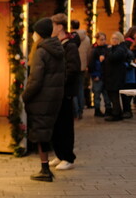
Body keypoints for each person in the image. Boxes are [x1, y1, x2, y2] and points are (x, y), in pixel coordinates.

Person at [23, 17, 65, 182]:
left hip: (41, 98)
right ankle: (45, 167)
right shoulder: (57, 48)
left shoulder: (41, 51)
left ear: (39, 33)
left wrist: (25, 96)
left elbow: (36, 79)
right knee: (46, 131)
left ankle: (44, 169)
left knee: (40, 132)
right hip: (53, 97)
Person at [49, 13, 80, 171]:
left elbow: (73, 69)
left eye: (53, 25)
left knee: (65, 125)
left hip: (65, 92)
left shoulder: (70, 46)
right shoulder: (56, 44)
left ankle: (68, 157)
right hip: (56, 92)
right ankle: (60, 154)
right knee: (56, 124)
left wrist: (60, 82)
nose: (51, 29)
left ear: (60, 27)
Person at [103, 31, 127, 121]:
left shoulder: (119, 49)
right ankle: (117, 112)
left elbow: (113, 58)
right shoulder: (114, 49)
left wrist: (108, 52)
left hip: (115, 76)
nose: (113, 40)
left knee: (114, 95)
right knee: (112, 94)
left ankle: (116, 114)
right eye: (112, 38)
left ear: (119, 39)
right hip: (111, 76)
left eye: (115, 38)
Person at [88, 32, 112, 117]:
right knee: (97, 94)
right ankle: (97, 110)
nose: (103, 41)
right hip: (98, 75)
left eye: (104, 39)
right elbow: (91, 64)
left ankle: (108, 109)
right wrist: (95, 75)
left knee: (106, 94)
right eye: (101, 39)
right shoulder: (94, 50)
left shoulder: (107, 49)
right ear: (97, 40)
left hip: (105, 75)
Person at [71, 20, 91, 120]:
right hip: (83, 66)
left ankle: (75, 111)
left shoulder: (71, 38)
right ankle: (81, 110)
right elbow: (89, 53)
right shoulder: (86, 38)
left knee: (73, 89)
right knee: (80, 88)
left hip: (73, 66)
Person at [120, 27, 136, 118]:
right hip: (129, 72)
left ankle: (127, 110)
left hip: (131, 72)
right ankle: (127, 110)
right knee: (128, 91)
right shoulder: (127, 43)